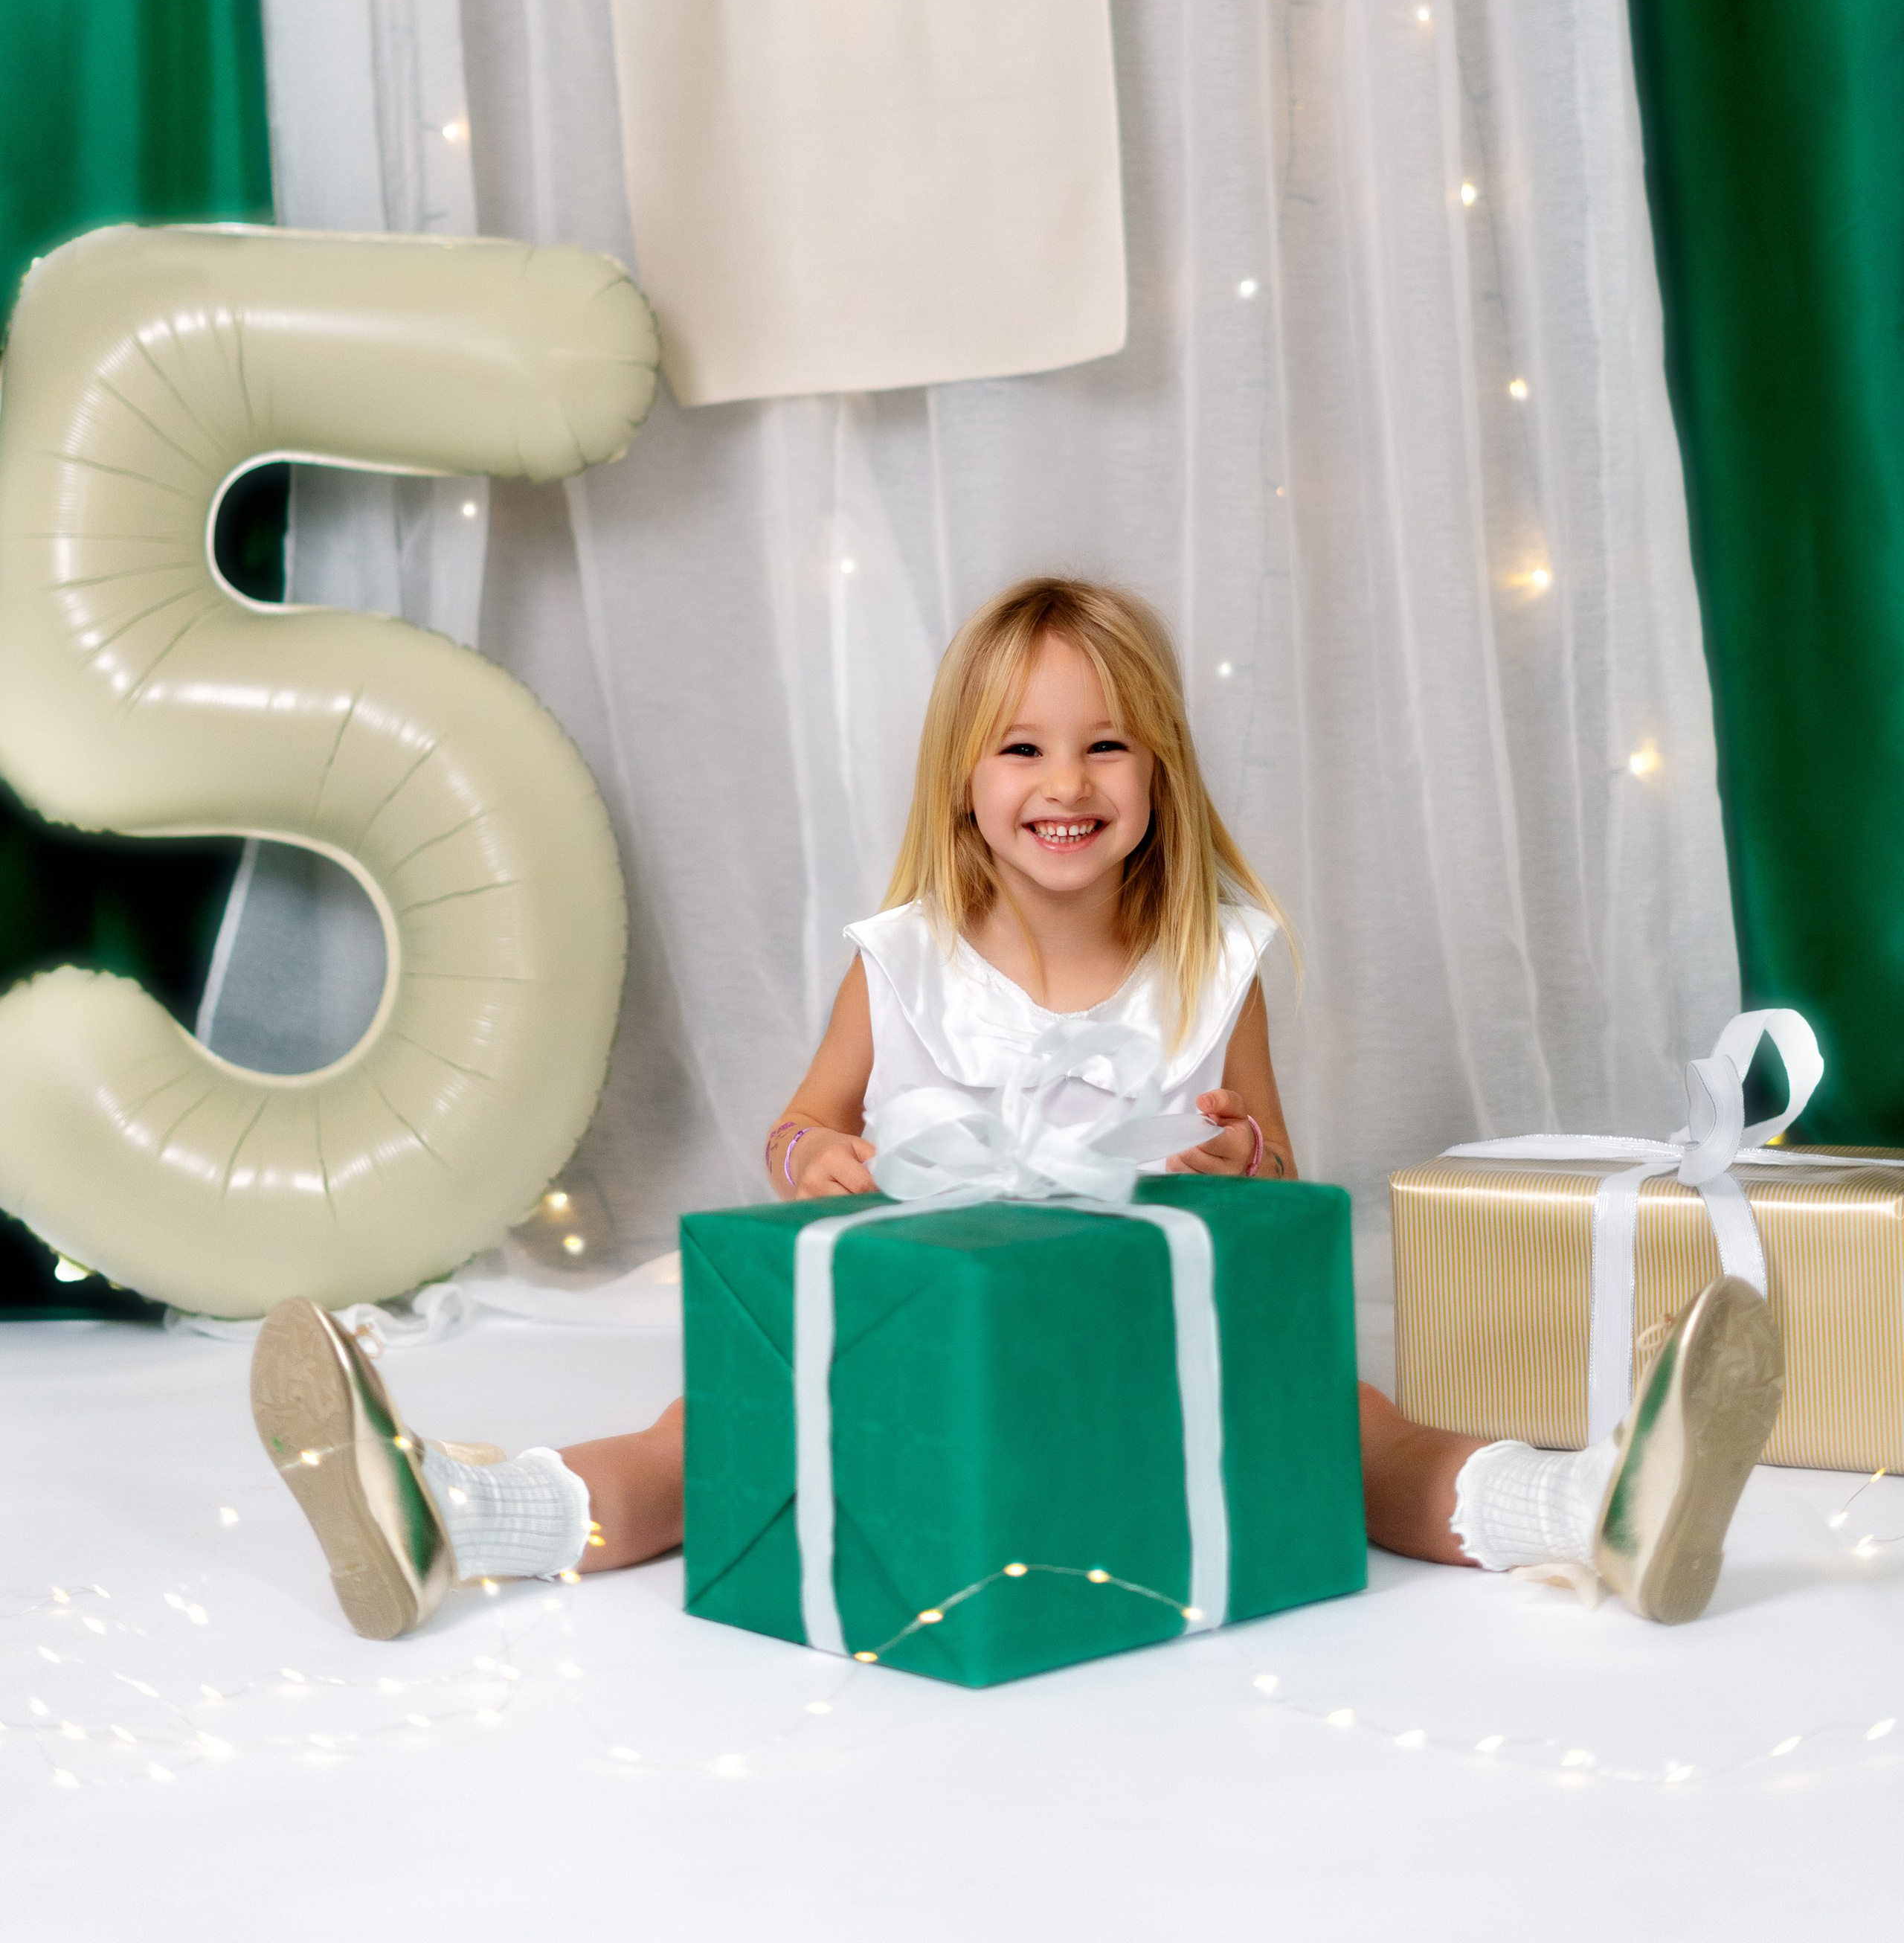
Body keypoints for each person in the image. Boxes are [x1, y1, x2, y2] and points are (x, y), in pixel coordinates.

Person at [251, 577, 1782, 1642]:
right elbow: (795, 1135)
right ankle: (452, 1514)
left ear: (1159, 773)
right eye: (1024, 745)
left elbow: (1278, 1176)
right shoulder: (905, 960)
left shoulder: (1211, 959)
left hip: (1147, 1337)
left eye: (1105, 742)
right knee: (699, 1439)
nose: (1067, 779)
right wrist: (828, 1158)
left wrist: (1234, 1158)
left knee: (1356, 1432)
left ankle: (1591, 1509)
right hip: (927, 1339)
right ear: (964, 780)